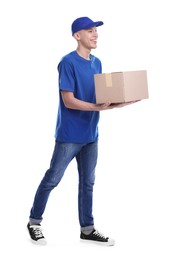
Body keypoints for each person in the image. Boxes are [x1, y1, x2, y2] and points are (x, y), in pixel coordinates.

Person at [27, 16, 134, 246]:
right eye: (90, 31)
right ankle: (34, 222)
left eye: (96, 31)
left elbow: (98, 98)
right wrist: (96, 107)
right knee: (52, 179)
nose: (95, 34)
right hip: (69, 135)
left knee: (88, 183)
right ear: (77, 36)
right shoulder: (67, 62)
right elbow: (69, 101)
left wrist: (118, 102)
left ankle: (87, 229)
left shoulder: (97, 63)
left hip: (91, 135)